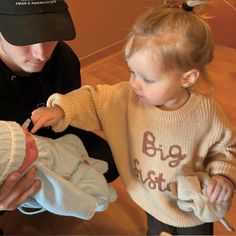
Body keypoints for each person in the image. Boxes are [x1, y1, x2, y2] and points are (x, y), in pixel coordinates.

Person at [31, 0, 236, 235]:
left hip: (192, 211)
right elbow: (95, 100)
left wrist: (223, 176)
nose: (135, 84)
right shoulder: (127, 97)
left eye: (147, 79)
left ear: (187, 78)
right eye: (132, 72)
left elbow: (227, 147)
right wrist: (62, 110)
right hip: (150, 200)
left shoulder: (206, 113)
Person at [0, 0, 118, 212]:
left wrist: (62, 112)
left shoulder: (63, 60)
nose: (42, 54)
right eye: (26, 38)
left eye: (51, 35)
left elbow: (72, 118)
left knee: (109, 161)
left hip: (51, 141)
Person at [0, 120, 116, 219]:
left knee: (75, 142)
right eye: (27, 148)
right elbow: (62, 200)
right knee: (94, 182)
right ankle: (103, 196)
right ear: (18, 170)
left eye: (23, 133)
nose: (30, 140)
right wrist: (88, 204)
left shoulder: (23, 142)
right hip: (70, 173)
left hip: (61, 148)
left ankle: (86, 163)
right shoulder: (37, 177)